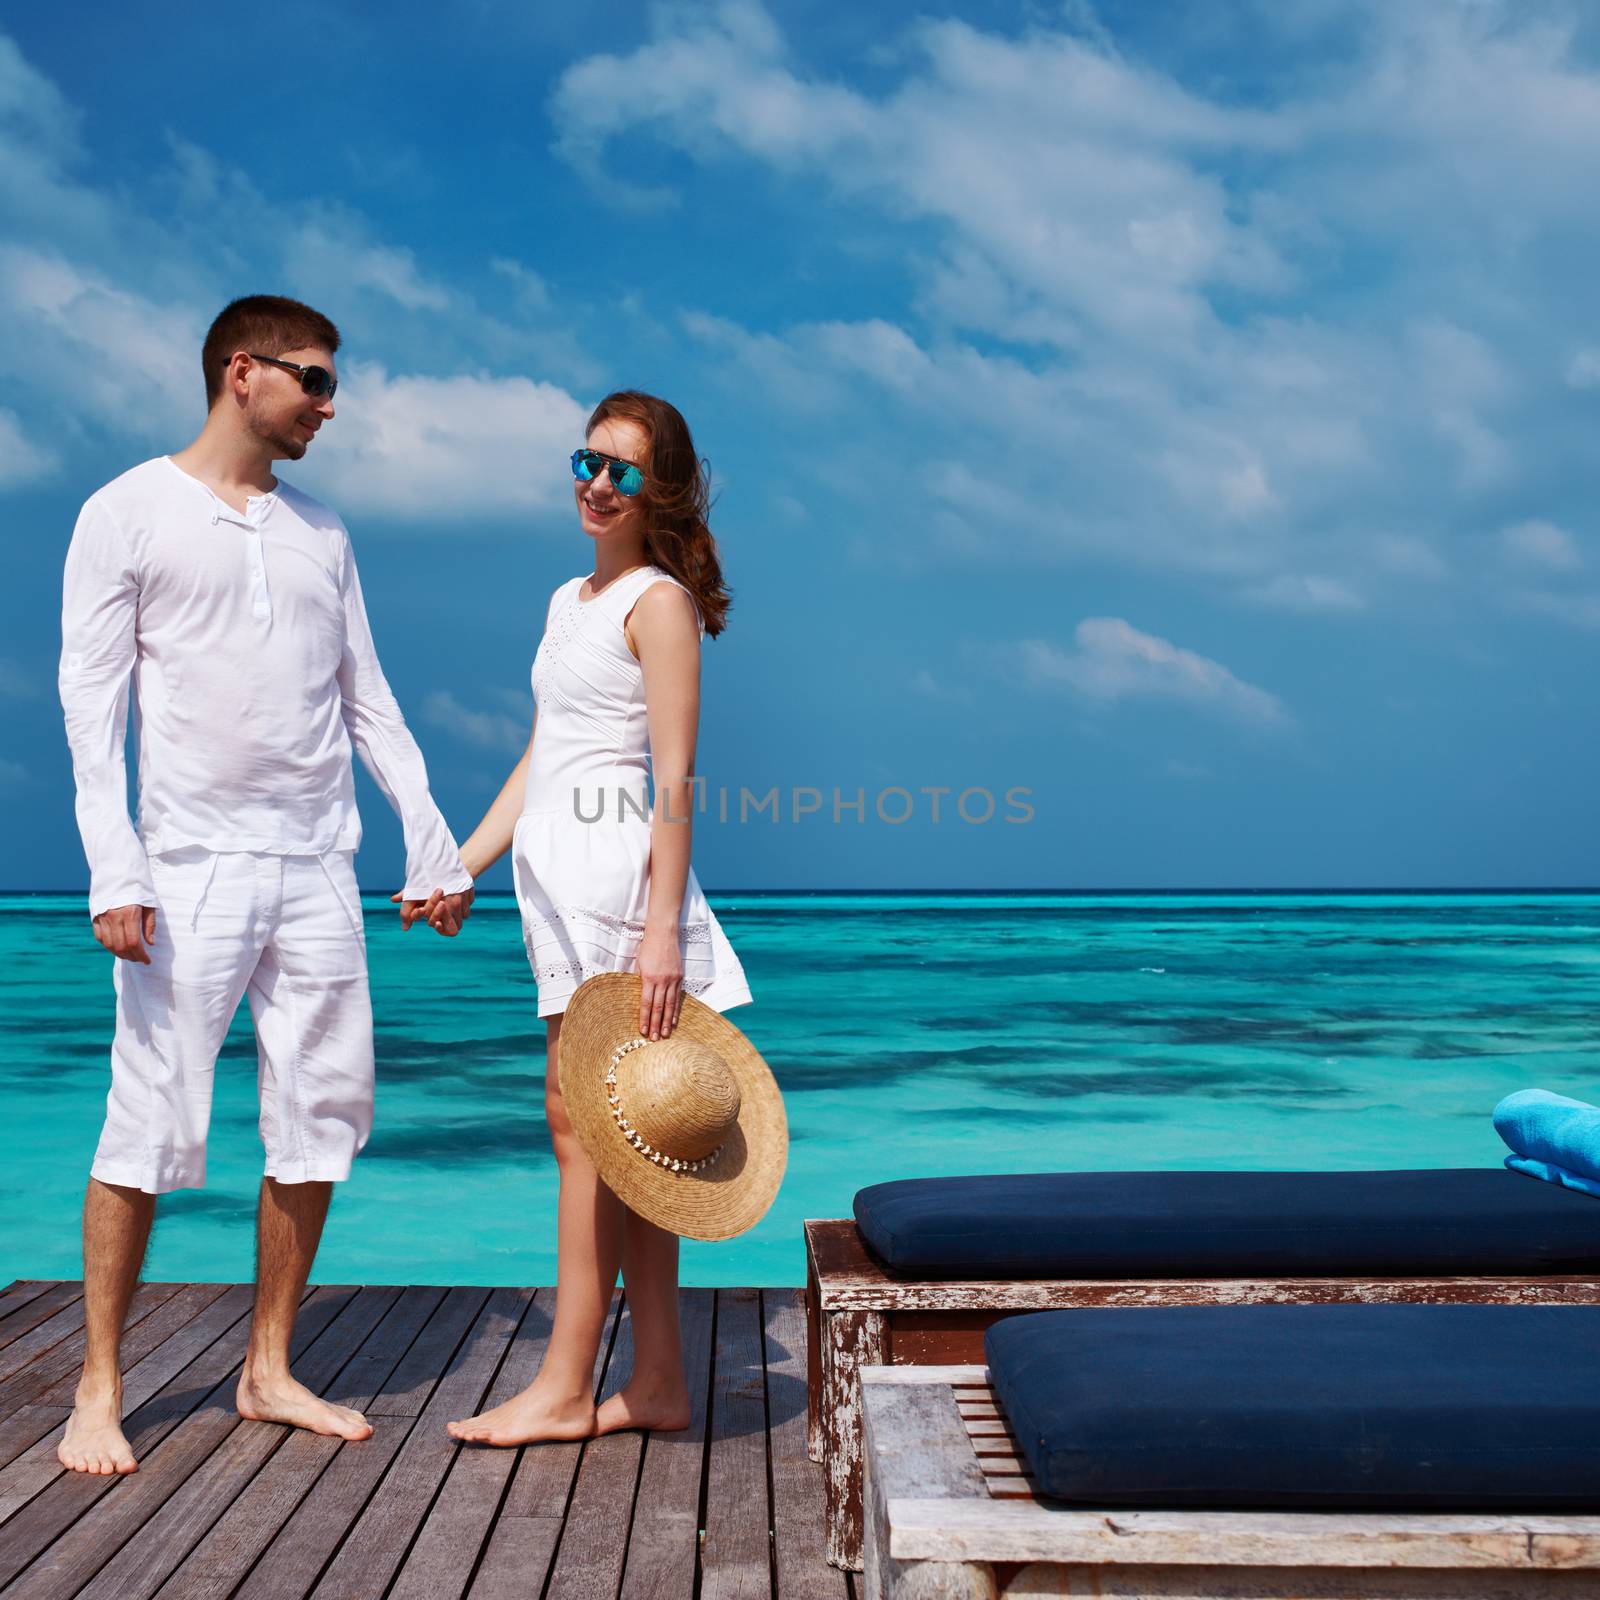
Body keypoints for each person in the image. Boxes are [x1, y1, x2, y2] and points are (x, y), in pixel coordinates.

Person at [55, 294, 474, 1476]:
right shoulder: (125, 511)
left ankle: (268, 1366)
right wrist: (113, 868)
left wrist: (429, 841)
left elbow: (367, 699)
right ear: (243, 372)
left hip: (317, 867)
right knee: (147, 1120)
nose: (330, 406)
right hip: (184, 866)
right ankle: (98, 1385)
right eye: (315, 381)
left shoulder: (323, 532)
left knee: (322, 1115)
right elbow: (91, 710)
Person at [445, 391, 752, 1445]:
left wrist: (663, 927)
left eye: (620, 470)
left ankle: (567, 1384)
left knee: (591, 1135)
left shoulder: (657, 604)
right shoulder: (566, 599)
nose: (595, 483)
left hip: (621, 893)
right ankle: (657, 1379)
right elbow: (545, 757)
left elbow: (675, 778)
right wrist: (461, 863)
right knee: (625, 1147)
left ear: (656, 491)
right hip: (558, 891)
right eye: (587, 460)